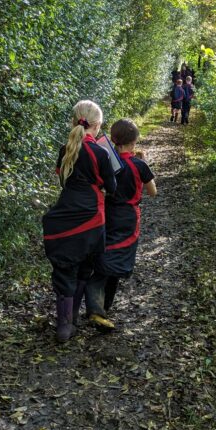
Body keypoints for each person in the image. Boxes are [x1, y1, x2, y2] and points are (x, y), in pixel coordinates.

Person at [42, 100, 116, 343]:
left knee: (64, 269)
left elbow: (63, 181)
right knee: (86, 267)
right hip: (92, 217)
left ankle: (64, 325)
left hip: (65, 214)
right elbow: (111, 187)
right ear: (97, 125)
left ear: (75, 122)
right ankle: (72, 319)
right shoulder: (101, 152)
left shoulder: (66, 149)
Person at [85, 118, 157, 321]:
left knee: (103, 255)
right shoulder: (139, 164)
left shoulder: (106, 159)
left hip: (106, 213)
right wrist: (144, 163)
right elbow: (153, 192)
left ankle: (98, 308)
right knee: (117, 261)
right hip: (128, 218)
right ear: (134, 141)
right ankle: (100, 308)